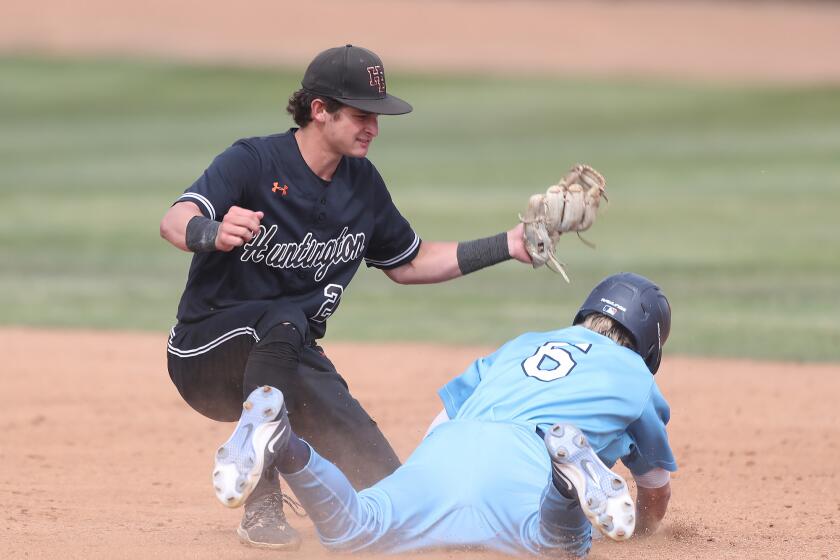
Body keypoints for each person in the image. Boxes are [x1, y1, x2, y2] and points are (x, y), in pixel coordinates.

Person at [159, 44, 532, 550]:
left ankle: (382, 515)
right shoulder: (253, 160)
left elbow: (410, 262)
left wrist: (508, 244)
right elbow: (174, 220)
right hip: (206, 351)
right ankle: (261, 496)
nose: (372, 128)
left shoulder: (363, 185)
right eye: (361, 115)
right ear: (319, 110)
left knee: (386, 483)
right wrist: (210, 231)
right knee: (286, 317)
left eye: (376, 117)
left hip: (287, 357)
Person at [242, 272, 676, 556]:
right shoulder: (635, 375)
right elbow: (655, 490)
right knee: (558, 547)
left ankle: (288, 445)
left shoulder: (526, 342)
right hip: (526, 455)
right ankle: (565, 483)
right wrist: (642, 534)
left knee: (355, 529)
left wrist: (415, 484)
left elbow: (445, 419)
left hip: (449, 445)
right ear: (650, 344)